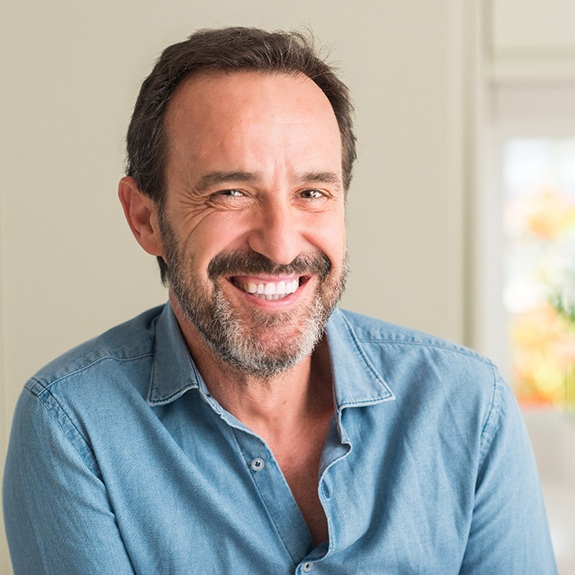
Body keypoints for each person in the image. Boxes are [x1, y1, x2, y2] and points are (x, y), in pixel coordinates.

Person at [3, 27, 557, 574]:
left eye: (311, 193)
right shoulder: (73, 427)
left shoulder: (468, 407)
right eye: (231, 193)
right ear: (145, 218)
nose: (281, 244)